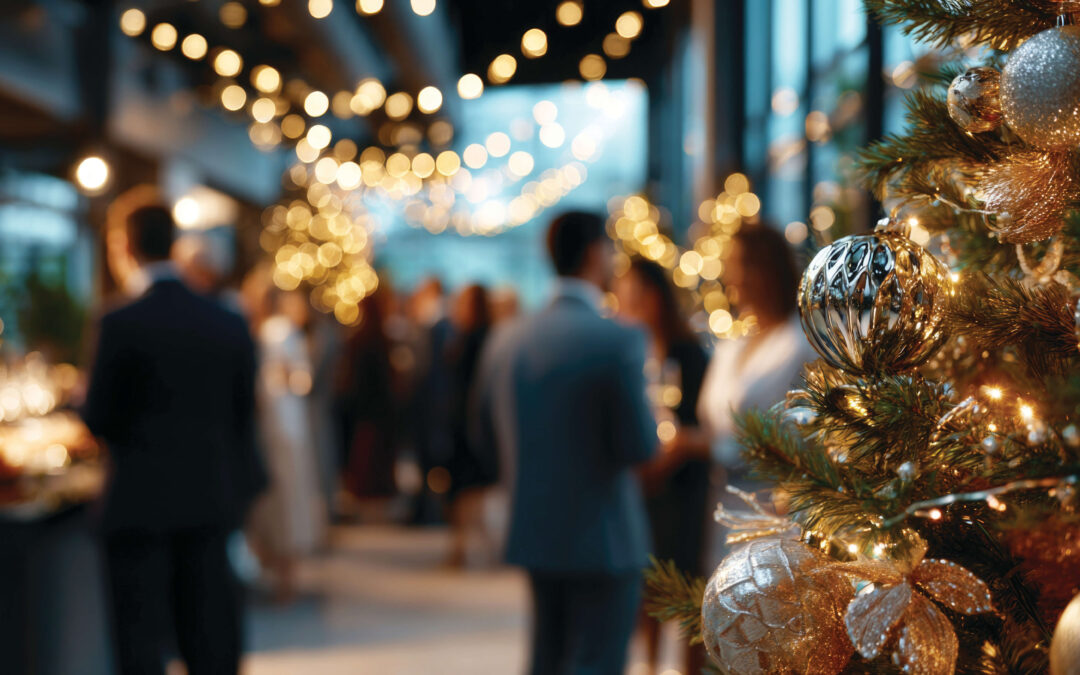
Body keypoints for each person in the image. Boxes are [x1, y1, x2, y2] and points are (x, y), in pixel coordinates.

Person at [82, 200, 265, 675]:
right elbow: (246, 416)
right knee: (210, 646)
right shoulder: (226, 322)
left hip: (138, 508)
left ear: (124, 246)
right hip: (209, 503)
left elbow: (99, 418)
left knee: (140, 649)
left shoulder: (119, 322)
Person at [472, 211, 657, 675]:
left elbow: (481, 435)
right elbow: (639, 447)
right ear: (596, 253)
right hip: (604, 537)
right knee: (596, 662)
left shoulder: (507, 339)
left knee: (546, 659)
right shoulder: (618, 339)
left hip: (534, 528)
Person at [693, 224, 817, 562]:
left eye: (745, 264)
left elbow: (808, 430)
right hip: (724, 505)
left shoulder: (801, 344)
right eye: (732, 264)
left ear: (770, 268)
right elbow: (709, 419)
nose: (736, 276)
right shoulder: (730, 348)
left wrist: (707, 445)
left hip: (777, 507)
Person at [614, 258, 710, 675]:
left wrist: (666, 456)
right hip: (642, 486)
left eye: (635, 294)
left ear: (655, 297)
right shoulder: (626, 351)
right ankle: (649, 666)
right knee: (646, 588)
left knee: (686, 586)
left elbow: (699, 423)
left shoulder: (688, 353)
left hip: (682, 487)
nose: (627, 304)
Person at [243, 282, 326, 602]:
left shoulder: (275, 333)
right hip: (285, 430)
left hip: (278, 431)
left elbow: (291, 378)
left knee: (282, 503)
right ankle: (281, 579)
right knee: (281, 504)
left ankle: (285, 584)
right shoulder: (280, 332)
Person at [444, 284, 497, 567]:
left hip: (468, 424)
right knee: (470, 493)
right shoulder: (480, 337)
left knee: (467, 492)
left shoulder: (474, 340)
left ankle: (466, 550)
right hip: (469, 424)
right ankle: (476, 550)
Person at [338, 285, 398, 511]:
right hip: (379, 406)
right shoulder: (380, 337)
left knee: (368, 454)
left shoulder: (361, 338)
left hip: (367, 407)